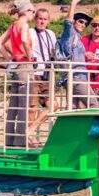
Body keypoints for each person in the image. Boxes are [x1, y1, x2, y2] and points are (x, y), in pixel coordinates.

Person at [0, 0, 36, 147]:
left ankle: (9, 140)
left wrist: (10, 59)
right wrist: (29, 55)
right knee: (24, 106)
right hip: (25, 66)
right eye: (32, 11)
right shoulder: (24, 24)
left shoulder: (13, 25)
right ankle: (20, 141)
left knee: (13, 107)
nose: (33, 13)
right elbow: (25, 41)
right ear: (26, 11)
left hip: (16, 66)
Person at [58, 0, 97, 109]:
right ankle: (93, 128)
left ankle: (68, 128)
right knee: (93, 104)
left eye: (85, 23)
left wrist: (85, 53)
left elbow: (71, 51)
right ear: (75, 21)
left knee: (73, 108)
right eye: (80, 21)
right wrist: (73, 3)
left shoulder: (78, 39)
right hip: (75, 77)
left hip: (78, 76)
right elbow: (67, 23)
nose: (83, 25)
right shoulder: (69, 34)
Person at [27, 8, 57, 136]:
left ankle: (32, 128)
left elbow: (55, 51)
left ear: (48, 20)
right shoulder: (30, 32)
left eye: (45, 19)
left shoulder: (51, 34)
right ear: (35, 19)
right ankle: (31, 137)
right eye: (40, 19)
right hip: (34, 73)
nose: (42, 22)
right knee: (32, 107)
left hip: (46, 74)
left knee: (53, 105)